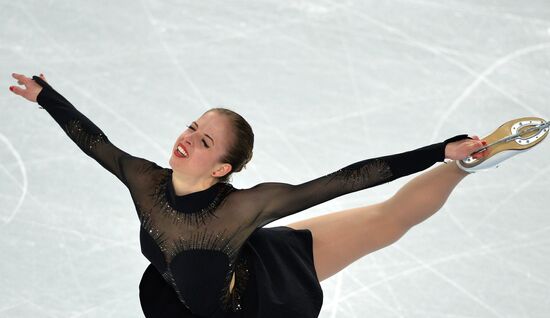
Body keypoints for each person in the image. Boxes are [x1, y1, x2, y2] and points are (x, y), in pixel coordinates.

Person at [9, 73, 546, 318]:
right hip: (179, 300)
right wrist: (45, 95)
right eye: (192, 126)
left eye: (203, 139)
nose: (186, 138)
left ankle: (468, 167)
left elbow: (350, 177)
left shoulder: (244, 207)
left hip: (261, 295)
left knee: (385, 220)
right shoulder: (145, 180)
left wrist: (439, 150)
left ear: (222, 168)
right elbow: (93, 142)